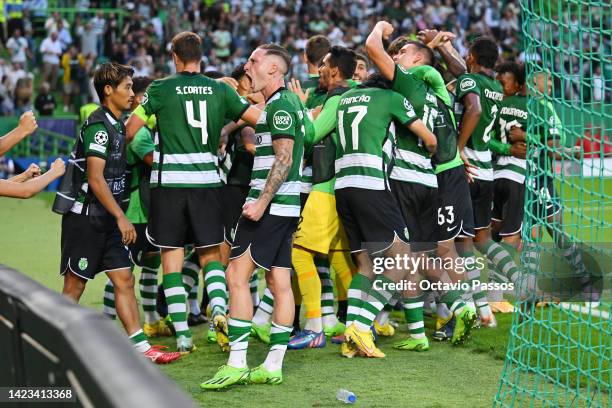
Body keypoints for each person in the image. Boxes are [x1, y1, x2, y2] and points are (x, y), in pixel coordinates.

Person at [125, 31, 262, 354]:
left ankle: (184, 336)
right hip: (207, 184)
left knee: (171, 260)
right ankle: (218, 311)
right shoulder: (218, 90)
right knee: (210, 256)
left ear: (174, 56)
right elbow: (257, 118)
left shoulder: (160, 89)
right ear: (202, 55)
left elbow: (131, 131)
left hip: (169, 186)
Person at [54, 62, 180, 364]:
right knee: (75, 285)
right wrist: (122, 216)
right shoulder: (99, 127)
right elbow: (96, 179)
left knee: (125, 279)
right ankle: (50, 342)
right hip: (85, 219)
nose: (132, 94)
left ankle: (140, 348)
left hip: (106, 219)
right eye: (127, 87)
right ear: (108, 90)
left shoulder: (117, 123)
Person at [366, 22, 478, 347]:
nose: (395, 57)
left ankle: (456, 307)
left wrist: (380, 30)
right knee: (425, 252)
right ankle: (442, 315)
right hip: (435, 176)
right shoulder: (438, 90)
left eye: (402, 53)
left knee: (421, 252)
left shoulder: (413, 85)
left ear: (418, 61)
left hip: (431, 174)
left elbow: (376, 52)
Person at [201, 43, 305, 390]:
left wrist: (260, 202)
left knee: (235, 275)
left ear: (274, 70)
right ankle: (273, 364)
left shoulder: (280, 107)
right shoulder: (284, 105)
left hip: (270, 206)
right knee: (279, 282)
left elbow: (284, 159)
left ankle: (237, 362)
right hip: (285, 206)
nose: (248, 67)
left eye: (255, 61)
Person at [332, 73, 436, 359]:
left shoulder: (345, 99)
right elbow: (429, 138)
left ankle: (350, 336)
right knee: (402, 259)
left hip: (343, 186)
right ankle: (362, 326)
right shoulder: (391, 98)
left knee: (365, 265)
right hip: (372, 183)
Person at [289, 46, 357, 350]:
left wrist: (304, 109)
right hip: (347, 185)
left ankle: (315, 326)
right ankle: (360, 324)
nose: (320, 69)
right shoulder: (359, 93)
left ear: (336, 71)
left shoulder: (336, 96)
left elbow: (312, 134)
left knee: (299, 253)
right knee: (342, 259)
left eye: (325, 65)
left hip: (325, 186)